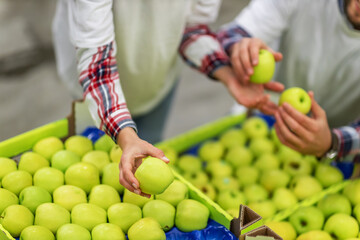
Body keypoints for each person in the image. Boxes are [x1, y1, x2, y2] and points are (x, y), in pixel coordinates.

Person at [52, 0, 282, 196]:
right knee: (93, 164)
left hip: (157, 75)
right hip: (93, 85)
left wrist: (226, 71)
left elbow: (191, 28)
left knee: (147, 147)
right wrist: (127, 137)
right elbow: (97, 66)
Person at [217, 0, 360, 162]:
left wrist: (333, 142)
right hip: (264, 113)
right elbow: (229, 34)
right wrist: (238, 47)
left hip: (337, 151)